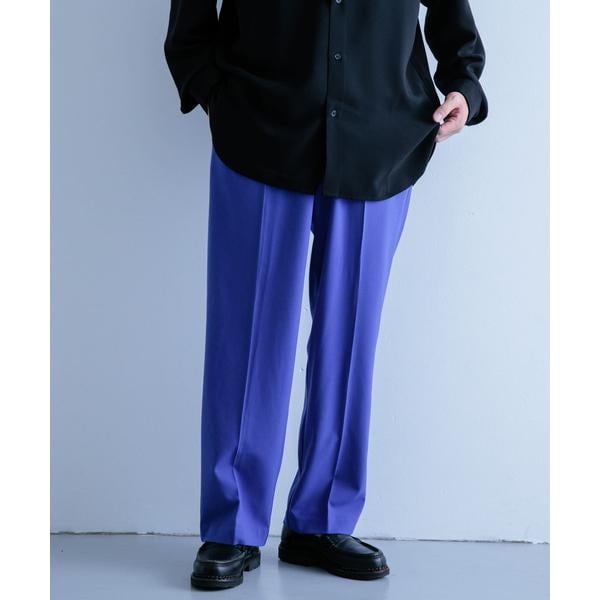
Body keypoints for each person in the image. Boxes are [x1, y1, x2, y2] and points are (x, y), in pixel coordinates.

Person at [164, 0, 488, 590]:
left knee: (349, 339)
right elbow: (190, 17)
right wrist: (208, 85)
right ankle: (232, 524)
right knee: (246, 339)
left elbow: (452, 16)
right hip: (261, 129)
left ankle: (323, 520)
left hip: (379, 138)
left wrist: (464, 82)